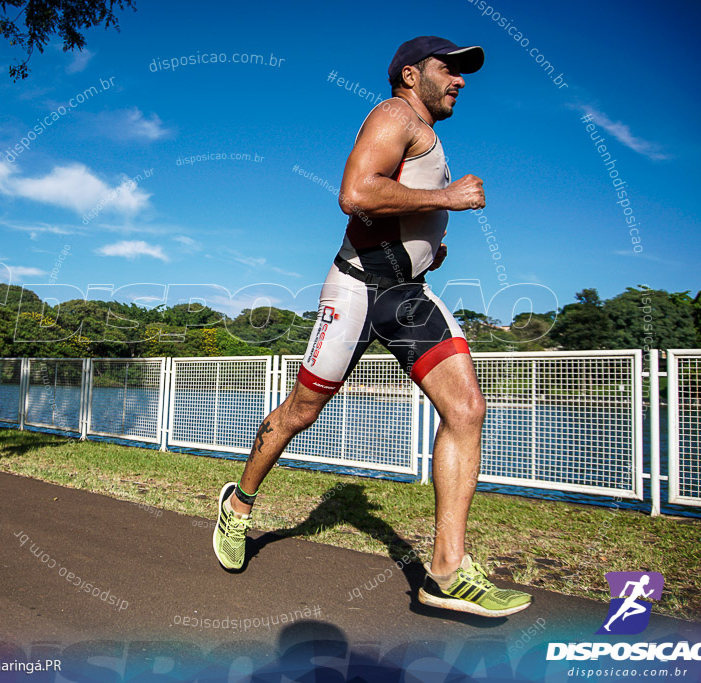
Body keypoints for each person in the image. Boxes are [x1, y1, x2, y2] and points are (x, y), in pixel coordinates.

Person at [212, 36, 532, 617]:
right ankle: (239, 505)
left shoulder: (426, 134)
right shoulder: (394, 115)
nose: (460, 80)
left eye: (464, 72)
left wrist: (425, 249)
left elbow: (396, 208)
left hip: (406, 295)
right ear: (411, 75)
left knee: (466, 410)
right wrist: (449, 199)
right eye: (449, 69)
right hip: (357, 289)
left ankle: (447, 570)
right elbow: (355, 193)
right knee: (300, 413)